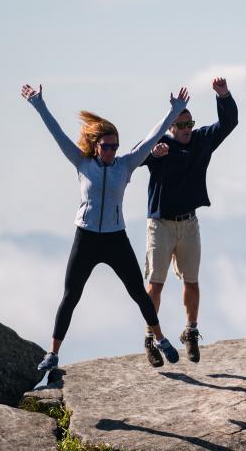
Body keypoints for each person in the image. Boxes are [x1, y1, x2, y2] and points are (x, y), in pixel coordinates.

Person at [20, 83, 190, 370]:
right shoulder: (81, 162)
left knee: (138, 291)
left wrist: (173, 111)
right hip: (85, 237)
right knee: (71, 296)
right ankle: (53, 353)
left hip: (114, 238)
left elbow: (151, 139)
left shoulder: (126, 164)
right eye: (107, 146)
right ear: (96, 145)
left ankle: (159, 338)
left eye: (115, 146)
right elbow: (57, 134)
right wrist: (39, 105)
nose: (112, 151)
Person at [139, 77, 238, 365]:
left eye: (188, 123)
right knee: (155, 283)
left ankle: (191, 332)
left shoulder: (202, 140)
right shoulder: (159, 146)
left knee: (191, 281)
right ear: (170, 126)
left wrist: (223, 96)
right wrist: (152, 152)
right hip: (160, 225)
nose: (185, 129)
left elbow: (228, 123)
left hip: (189, 223)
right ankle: (150, 337)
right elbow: (137, 155)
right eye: (180, 124)